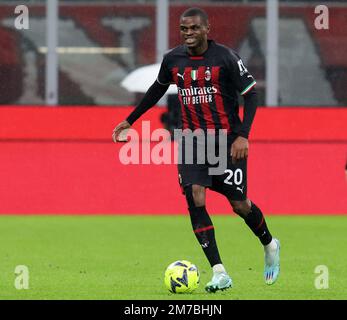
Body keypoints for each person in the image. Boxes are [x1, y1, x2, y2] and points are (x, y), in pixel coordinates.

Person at [113, 7, 280, 293]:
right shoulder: (173, 60)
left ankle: (270, 243)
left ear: (206, 29)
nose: (188, 33)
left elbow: (251, 94)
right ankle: (219, 272)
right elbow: (156, 89)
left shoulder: (226, 57)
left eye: (194, 28)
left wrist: (243, 136)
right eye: (184, 29)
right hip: (192, 142)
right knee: (195, 196)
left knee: (240, 205)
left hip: (227, 143)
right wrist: (130, 120)